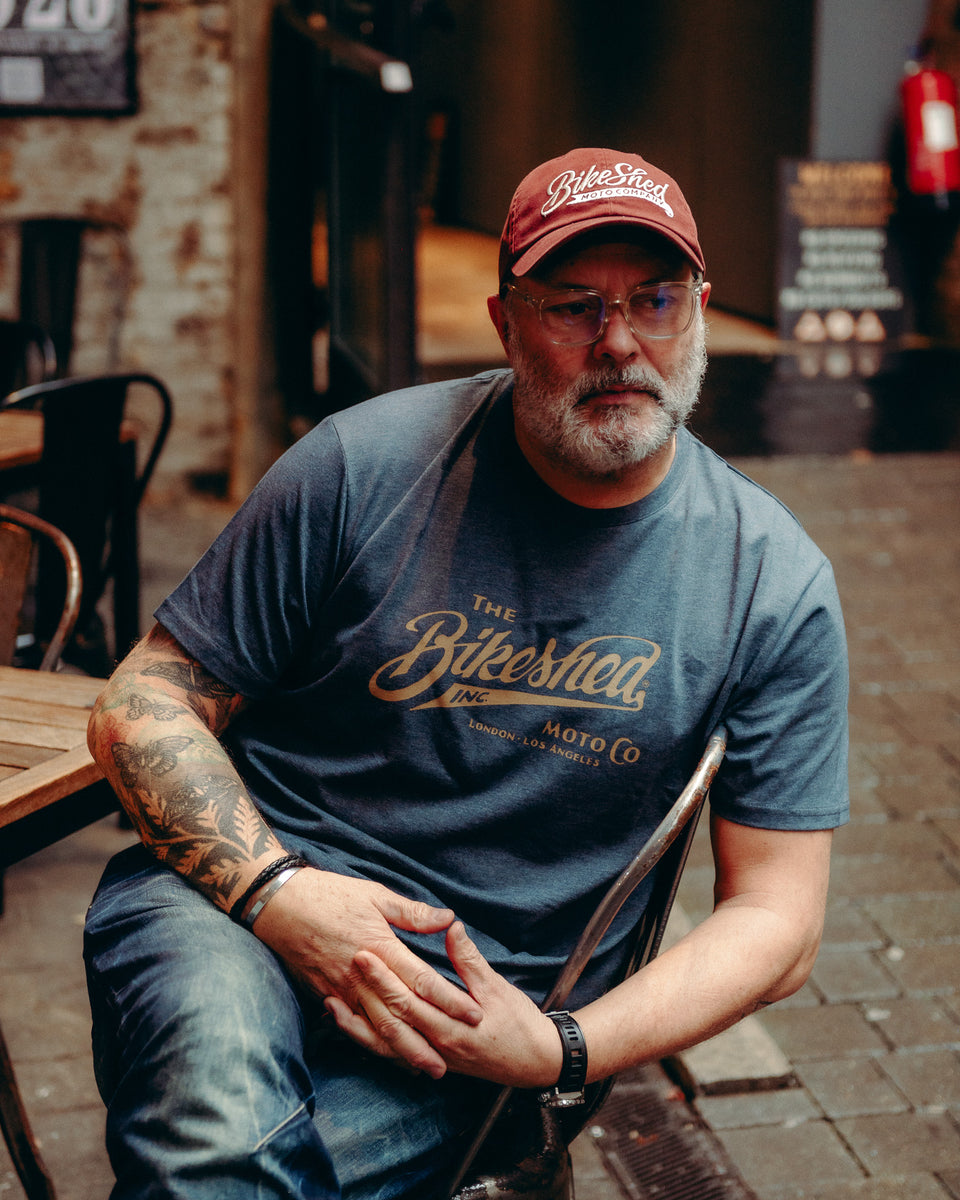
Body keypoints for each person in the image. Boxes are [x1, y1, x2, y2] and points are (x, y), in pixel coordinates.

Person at [84, 147, 848, 1200]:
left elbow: (780, 917)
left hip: (473, 1017)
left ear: (701, 310)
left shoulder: (769, 582)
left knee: (238, 1174)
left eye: (656, 301)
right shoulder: (364, 466)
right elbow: (144, 697)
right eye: (572, 307)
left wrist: (563, 1049)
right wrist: (282, 895)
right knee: (220, 1131)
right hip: (237, 904)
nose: (620, 342)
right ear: (505, 321)